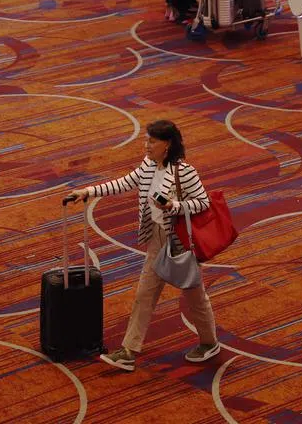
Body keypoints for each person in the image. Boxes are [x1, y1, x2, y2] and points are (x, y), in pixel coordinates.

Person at [68, 119, 220, 372]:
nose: (146, 145)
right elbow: (123, 183)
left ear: (168, 144)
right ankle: (128, 351)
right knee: (144, 294)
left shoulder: (185, 172)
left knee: (195, 296)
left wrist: (174, 207)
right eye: (146, 140)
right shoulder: (149, 166)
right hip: (156, 239)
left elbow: (203, 203)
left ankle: (209, 342)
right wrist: (89, 191)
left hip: (180, 242)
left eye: (151, 141)